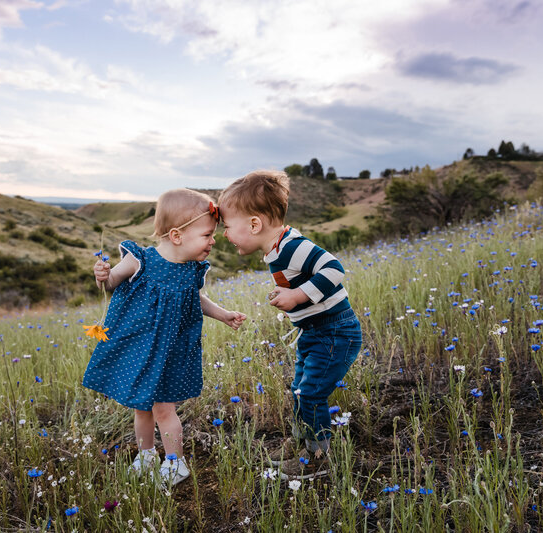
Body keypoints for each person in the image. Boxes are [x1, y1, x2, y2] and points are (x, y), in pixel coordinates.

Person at [82, 188, 246, 487]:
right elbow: (111, 284)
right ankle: (146, 455)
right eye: (207, 235)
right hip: (140, 347)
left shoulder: (191, 270)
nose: (213, 241)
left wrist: (222, 314)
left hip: (171, 350)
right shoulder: (140, 260)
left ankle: (175, 462)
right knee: (142, 407)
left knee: (163, 408)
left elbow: (196, 299)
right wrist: (103, 275)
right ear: (176, 235)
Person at [218, 170, 362, 480]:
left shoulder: (294, 247)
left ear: (255, 224)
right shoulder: (277, 250)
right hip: (314, 332)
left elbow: (334, 269)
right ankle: (302, 443)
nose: (225, 234)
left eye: (228, 226)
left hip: (335, 331)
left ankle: (319, 456)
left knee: (310, 393)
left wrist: (297, 295)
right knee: (299, 388)